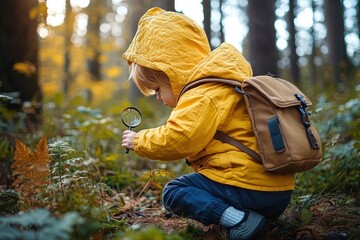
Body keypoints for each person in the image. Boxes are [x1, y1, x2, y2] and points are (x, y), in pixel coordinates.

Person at [121, 7, 294, 240]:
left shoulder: (203, 93)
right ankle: (247, 216)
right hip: (276, 191)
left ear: (171, 72)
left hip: (252, 187)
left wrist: (139, 140)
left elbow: (181, 138)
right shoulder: (223, 81)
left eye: (157, 90)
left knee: (175, 191)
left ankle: (241, 221)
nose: (160, 99)